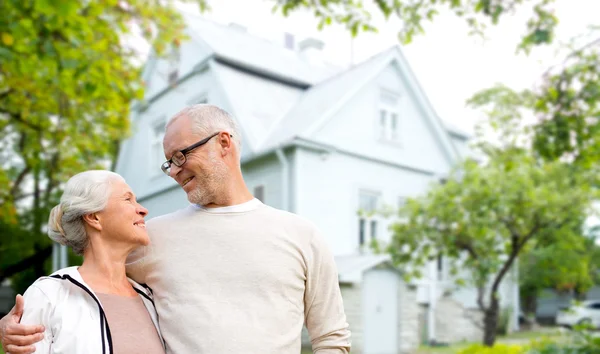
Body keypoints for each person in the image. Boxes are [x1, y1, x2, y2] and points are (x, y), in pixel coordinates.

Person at [0, 104, 351, 353]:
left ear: (224, 143)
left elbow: (332, 339)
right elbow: (92, 278)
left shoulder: (302, 235)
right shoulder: (152, 238)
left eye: (181, 156)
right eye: (169, 162)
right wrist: (12, 327)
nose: (174, 171)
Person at [0, 170, 164, 354]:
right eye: (128, 199)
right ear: (94, 217)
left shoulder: (151, 298)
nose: (143, 209)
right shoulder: (49, 295)